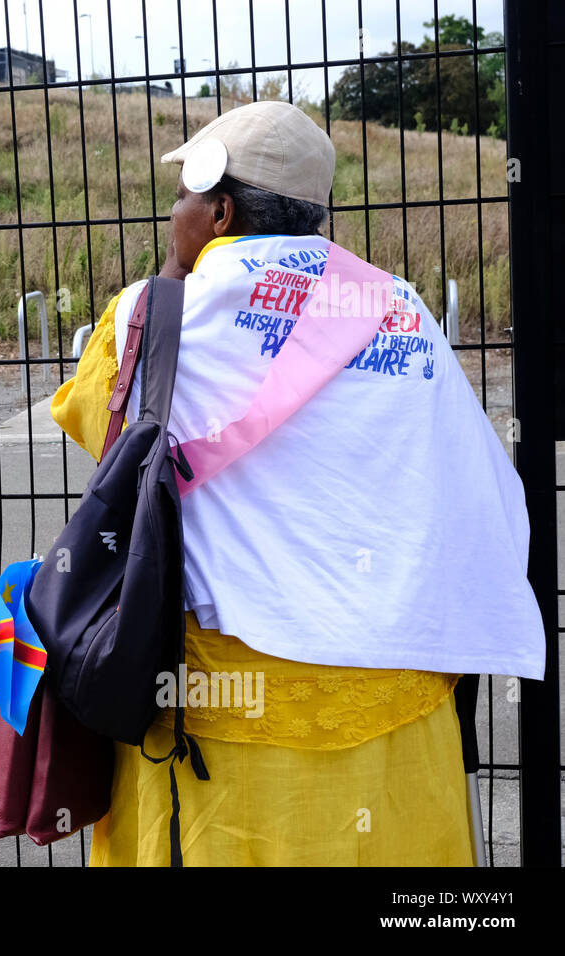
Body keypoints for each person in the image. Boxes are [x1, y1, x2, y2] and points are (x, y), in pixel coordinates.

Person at [50, 100, 544, 866]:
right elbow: (474, 484)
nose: (174, 213)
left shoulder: (150, 318)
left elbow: (104, 438)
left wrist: (177, 280)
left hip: (225, 722)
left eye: (183, 197)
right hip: (398, 702)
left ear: (219, 209)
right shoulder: (400, 310)